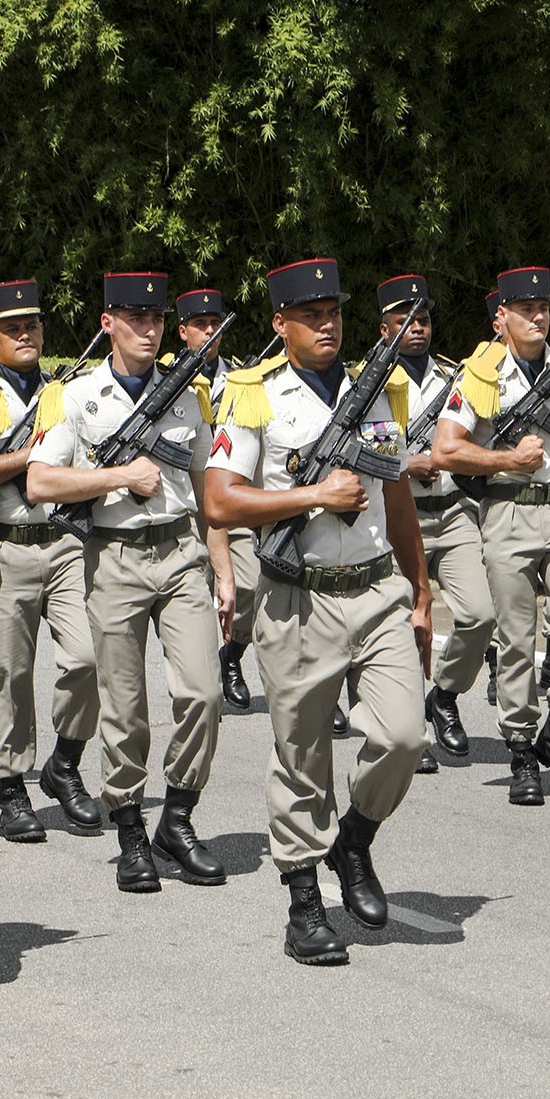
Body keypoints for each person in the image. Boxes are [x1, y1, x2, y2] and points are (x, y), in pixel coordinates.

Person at [203, 256, 434, 966]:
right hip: (295, 597)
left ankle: (353, 842)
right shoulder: (253, 396)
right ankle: (303, 903)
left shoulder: (377, 391)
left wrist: (421, 592)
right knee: (301, 758)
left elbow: (395, 495)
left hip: (374, 589)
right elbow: (219, 500)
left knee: (402, 736)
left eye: (333, 311)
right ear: (281, 324)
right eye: (311, 315)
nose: (327, 323)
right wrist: (310, 497)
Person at [26, 270, 232, 891]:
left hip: (179, 551)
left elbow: (205, 492)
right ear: (107, 323)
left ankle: (178, 815)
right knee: (125, 707)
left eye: (157, 320)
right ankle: (130, 831)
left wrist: (223, 572)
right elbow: (41, 483)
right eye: (135, 319)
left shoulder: (189, 395)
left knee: (203, 691)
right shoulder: (73, 396)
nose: (149, 329)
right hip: (112, 559)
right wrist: (118, 478)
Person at [434, 266, 550, 805]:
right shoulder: (479, 375)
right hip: (506, 513)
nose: (538, 316)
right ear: (501, 317)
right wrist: (508, 458)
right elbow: (445, 450)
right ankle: (522, 751)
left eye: (544, 308)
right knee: (515, 640)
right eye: (526, 308)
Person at [0, 280, 104, 841]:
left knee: (87, 657)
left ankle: (64, 761)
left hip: (61, 541)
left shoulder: (63, 393)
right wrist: (23, 460)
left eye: (32, 326)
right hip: (2, 544)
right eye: (12, 329)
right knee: (9, 671)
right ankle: (11, 786)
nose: (25, 335)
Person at [375, 276, 496, 766]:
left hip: (453, 512)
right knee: (406, 623)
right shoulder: (371, 383)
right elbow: (371, 454)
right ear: (385, 331)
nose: (417, 329)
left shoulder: (456, 377)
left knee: (480, 615)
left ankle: (443, 698)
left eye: (423, 319)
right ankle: (411, 724)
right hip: (403, 519)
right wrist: (411, 463)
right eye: (405, 321)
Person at [177, 288, 259, 710]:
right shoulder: (168, 382)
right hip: (185, 507)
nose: (209, 331)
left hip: (228, 503)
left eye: (215, 324)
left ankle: (232, 654)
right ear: (183, 331)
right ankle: (203, 674)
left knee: (248, 584)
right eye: (200, 325)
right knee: (192, 595)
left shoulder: (243, 379)